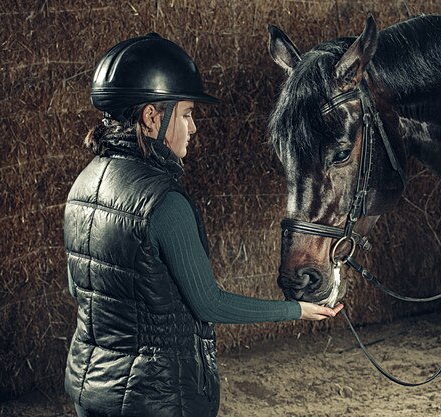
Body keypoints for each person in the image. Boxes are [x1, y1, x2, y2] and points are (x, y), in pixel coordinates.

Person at [63, 33, 343, 417]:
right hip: (158, 399)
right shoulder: (163, 202)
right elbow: (209, 303)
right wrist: (298, 311)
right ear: (151, 117)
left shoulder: (83, 184)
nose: (193, 128)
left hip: (89, 389)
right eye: (186, 114)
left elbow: (79, 287)